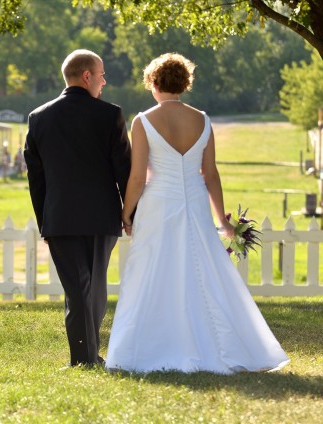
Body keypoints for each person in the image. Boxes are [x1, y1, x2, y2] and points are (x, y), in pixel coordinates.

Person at [106, 53, 289, 374]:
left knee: (153, 271)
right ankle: (218, 345)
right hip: (194, 202)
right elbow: (210, 174)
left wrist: (126, 212)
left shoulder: (143, 120)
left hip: (158, 204)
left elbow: (137, 177)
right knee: (203, 269)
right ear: (184, 84)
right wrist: (223, 221)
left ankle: (149, 348)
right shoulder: (203, 119)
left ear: (153, 82)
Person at [24, 49, 131, 367]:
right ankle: (84, 359)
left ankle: (85, 358)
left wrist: (45, 221)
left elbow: (36, 177)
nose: (104, 81)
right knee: (93, 288)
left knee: (80, 290)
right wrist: (130, 213)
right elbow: (123, 170)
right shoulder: (110, 115)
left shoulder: (38, 117)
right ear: (87, 76)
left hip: (60, 218)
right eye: (101, 75)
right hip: (102, 217)